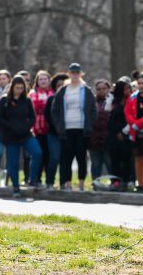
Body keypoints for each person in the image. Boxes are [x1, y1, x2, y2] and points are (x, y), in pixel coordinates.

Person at [51, 63, 97, 191]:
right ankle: (67, 183)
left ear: (80, 74)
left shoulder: (86, 90)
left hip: (82, 129)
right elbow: (54, 110)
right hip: (66, 130)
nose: (75, 75)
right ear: (69, 74)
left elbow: (93, 110)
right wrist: (58, 125)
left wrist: (89, 124)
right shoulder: (63, 90)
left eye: (77, 72)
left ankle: (81, 184)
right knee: (66, 157)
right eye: (73, 72)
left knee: (81, 156)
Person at [0, 75, 42, 197]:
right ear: (12, 87)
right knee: (13, 162)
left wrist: (26, 127)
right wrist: (11, 127)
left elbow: (32, 117)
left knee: (37, 153)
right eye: (17, 88)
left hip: (25, 134)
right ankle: (16, 187)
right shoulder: (4, 100)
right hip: (10, 136)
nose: (19, 90)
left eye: (22, 88)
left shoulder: (27, 101)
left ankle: (32, 180)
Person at [44, 73, 69, 190]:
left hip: (68, 134)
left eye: (63, 85)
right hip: (53, 134)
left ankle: (63, 183)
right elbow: (48, 117)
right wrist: (58, 127)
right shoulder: (51, 99)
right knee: (54, 158)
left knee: (65, 159)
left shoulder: (71, 100)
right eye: (58, 85)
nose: (60, 87)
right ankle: (50, 182)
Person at [28, 70, 53, 186]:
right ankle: (35, 178)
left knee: (48, 155)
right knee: (37, 154)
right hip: (35, 129)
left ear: (49, 81)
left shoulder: (53, 94)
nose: (43, 81)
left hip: (49, 130)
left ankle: (49, 180)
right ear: (37, 81)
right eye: (40, 79)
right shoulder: (31, 94)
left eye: (45, 79)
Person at [108, 80, 133, 190]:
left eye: (129, 88)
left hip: (126, 134)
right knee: (115, 159)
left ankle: (126, 181)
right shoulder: (114, 101)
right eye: (125, 89)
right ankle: (115, 181)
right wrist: (111, 94)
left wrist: (124, 132)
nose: (128, 91)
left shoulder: (132, 100)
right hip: (113, 135)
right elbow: (107, 110)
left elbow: (132, 118)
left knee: (126, 158)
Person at [88, 79, 111, 179]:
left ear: (108, 89)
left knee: (109, 162)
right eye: (98, 89)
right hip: (93, 139)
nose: (101, 91)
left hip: (108, 138)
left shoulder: (112, 101)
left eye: (104, 88)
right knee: (96, 163)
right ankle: (95, 183)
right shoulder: (91, 102)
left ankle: (114, 183)